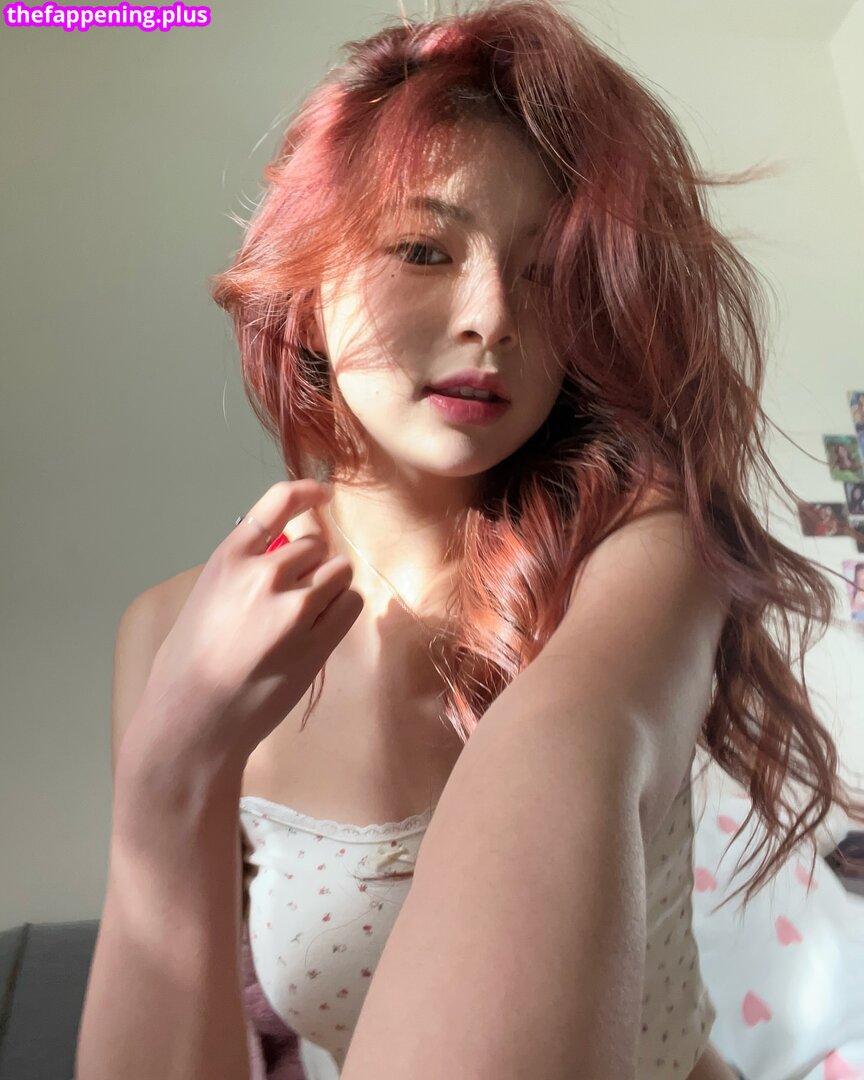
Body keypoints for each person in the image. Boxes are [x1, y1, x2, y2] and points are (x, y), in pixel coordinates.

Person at [76, 1, 863, 1078]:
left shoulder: (642, 544)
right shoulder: (167, 635)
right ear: (305, 290)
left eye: (547, 272)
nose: (493, 315)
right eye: (422, 248)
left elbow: (570, 749)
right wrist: (176, 773)